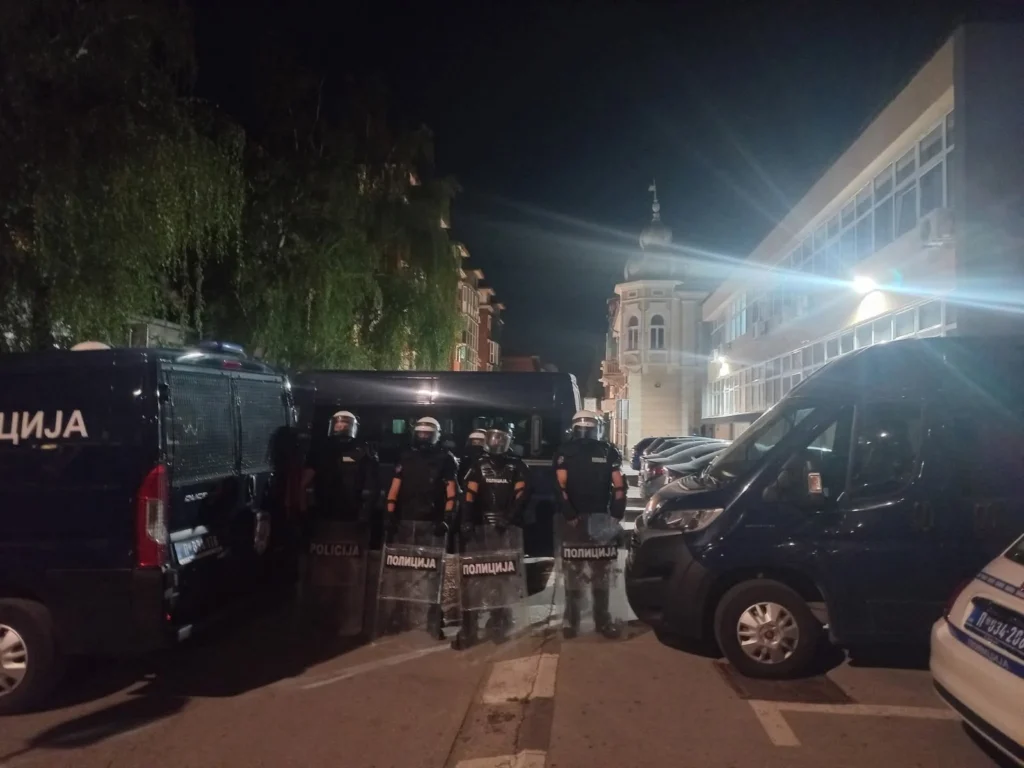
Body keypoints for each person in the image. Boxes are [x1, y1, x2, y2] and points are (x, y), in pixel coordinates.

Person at [553, 409, 627, 639]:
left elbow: (560, 487)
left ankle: (574, 622)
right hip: (595, 517)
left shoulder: (565, 450)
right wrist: (616, 512)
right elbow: (619, 485)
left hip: (582, 518)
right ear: (596, 427)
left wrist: (569, 513)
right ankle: (597, 621)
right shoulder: (607, 450)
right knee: (596, 572)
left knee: (578, 571)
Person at [458, 425, 529, 646]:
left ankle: (499, 621)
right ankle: (469, 627)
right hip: (480, 529)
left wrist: (508, 518)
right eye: (493, 438)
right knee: (474, 577)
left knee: (501, 576)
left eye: (501, 439)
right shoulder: (478, 465)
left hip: (505, 529)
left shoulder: (516, 465)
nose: (497, 443)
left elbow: (521, 495)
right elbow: (468, 496)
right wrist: (466, 520)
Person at [300, 411, 379, 525]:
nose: (341, 429)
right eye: (338, 426)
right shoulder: (321, 453)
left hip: (353, 512)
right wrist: (304, 512)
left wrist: (364, 514)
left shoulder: (363, 453)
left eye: (345, 426)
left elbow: (372, 487)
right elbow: (304, 483)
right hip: (325, 510)